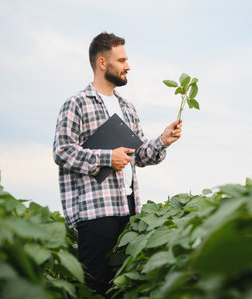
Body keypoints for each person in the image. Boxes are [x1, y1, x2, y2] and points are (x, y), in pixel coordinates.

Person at [53, 32, 182, 296]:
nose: (128, 66)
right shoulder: (76, 103)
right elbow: (62, 151)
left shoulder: (128, 108)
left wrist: (163, 141)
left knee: (120, 289)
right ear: (102, 63)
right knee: (94, 288)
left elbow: (141, 156)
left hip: (129, 208)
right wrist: (106, 157)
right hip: (95, 213)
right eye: (121, 60)